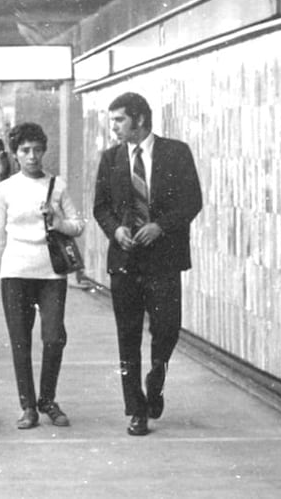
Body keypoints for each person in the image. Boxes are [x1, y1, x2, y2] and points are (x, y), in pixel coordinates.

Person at [93, 92, 203, 437]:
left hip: (164, 259)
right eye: (112, 121)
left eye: (119, 120)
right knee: (127, 336)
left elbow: (192, 201)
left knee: (167, 329)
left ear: (139, 119)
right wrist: (116, 230)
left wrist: (161, 227)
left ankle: (157, 376)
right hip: (125, 260)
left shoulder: (176, 152)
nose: (114, 128)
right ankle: (136, 410)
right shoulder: (110, 159)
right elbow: (101, 207)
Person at [0, 122, 83, 430]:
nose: (32, 156)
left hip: (51, 272)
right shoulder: (4, 189)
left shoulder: (58, 185)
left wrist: (57, 221)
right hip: (15, 271)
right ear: (15, 154)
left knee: (54, 337)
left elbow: (77, 224)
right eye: (25, 151)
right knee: (20, 341)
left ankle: (48, 399)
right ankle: (27, 405)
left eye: (37, 150)